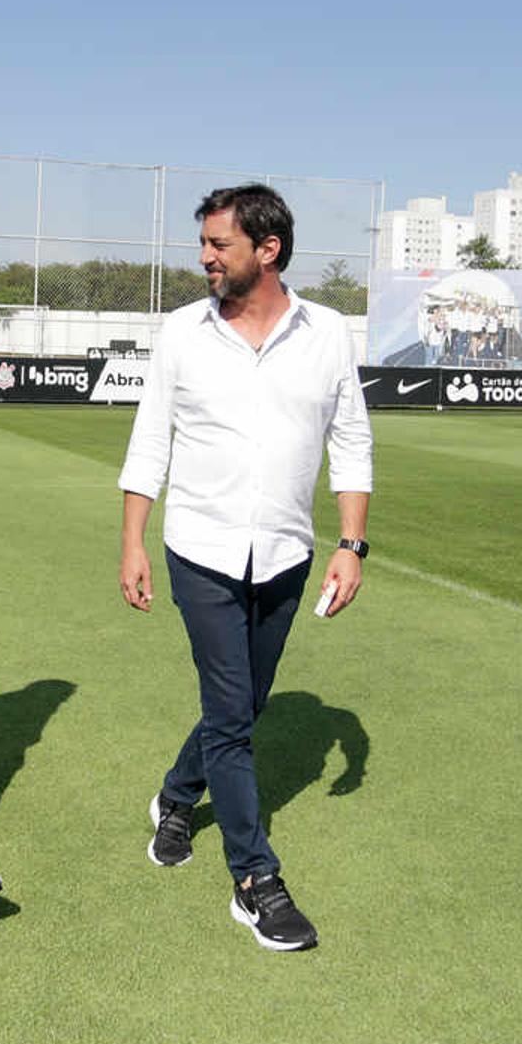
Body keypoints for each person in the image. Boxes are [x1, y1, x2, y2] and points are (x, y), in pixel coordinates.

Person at [118, 183, 373, 952]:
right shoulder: (181, 332)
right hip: (201, 549)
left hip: (289, 554)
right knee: (231, 714)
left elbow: (352, 442)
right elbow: (149, 441)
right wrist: (133, 539)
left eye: (218, 244)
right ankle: (255, 879)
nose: (204, 257)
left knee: (247, 704)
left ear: (268, 250)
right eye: (203, 243)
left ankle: (174, 792)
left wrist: (351, 544)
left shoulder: (327, 333)